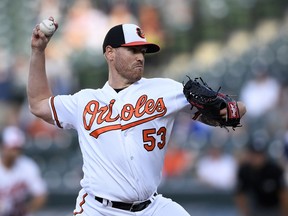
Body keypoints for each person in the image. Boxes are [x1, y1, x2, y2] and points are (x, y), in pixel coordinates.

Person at [28, 17, 246, 216]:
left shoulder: (165, 90)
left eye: (142, 51)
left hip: (152, 208)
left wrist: (225, 108)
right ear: (110, 53)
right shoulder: (84, 101)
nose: (140, 57)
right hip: (98, 209)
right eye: (133, 50)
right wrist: (38, 52)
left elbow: (236, 111)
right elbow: (38, 104)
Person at [0, 126, 47, 216]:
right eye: (13, 148)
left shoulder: (28, 166)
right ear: (3, 147)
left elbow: (41, 196)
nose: (15, 152)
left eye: (18, 149)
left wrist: (27, 210)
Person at [235, 138, 288, 216]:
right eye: (253, 154)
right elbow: (240, 194)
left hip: (274, 208)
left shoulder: (274, 170)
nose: (256, 158)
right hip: (254, 208)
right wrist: (244, 212)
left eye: (259, 154)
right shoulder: (244, 170)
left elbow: (283, 194)